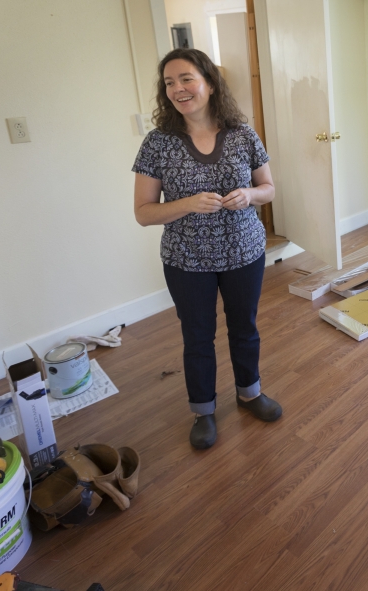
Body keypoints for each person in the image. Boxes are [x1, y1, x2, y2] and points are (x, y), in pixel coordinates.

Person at [132, 48, 281, 449]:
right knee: (197, 336)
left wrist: (249, 195)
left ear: (210, 84)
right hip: (187, 260)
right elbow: (144, 213)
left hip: (244, 253)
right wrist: (186, 204)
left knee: (244, 327)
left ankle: (249, 393)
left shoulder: (243, 134)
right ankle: (203, 410)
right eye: (169, 83)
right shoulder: (157, 143)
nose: (178, 89)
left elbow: (268, 188)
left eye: (186, 79)